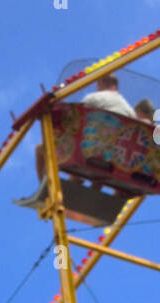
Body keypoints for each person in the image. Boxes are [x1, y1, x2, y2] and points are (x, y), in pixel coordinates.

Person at [16, 75, 137, 210]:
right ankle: (79, 195)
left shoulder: (96, 98)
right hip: (116, 159)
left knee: (41, 149)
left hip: (92, 151)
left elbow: (75, 117)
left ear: (100, 82)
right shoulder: (130, 110)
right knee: (82, 163)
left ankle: (46, 190)